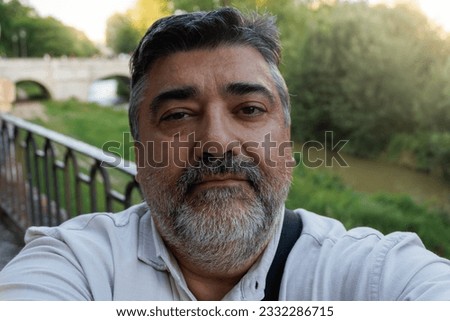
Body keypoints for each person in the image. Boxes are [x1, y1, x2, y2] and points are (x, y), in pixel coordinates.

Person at [0, 7, 449, 301]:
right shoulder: (76, 264)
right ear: (139, 152)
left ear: (287, 143)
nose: (216, 142)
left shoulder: (370, 275)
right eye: (177, 115)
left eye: (249, 110)